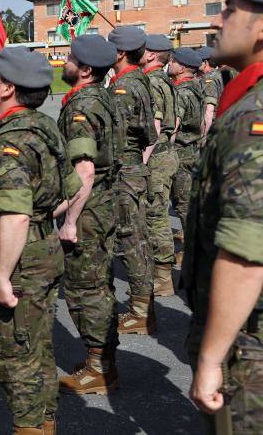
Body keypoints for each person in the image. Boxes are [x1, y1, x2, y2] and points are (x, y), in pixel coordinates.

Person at [0, 46, 81, 434]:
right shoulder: (42, 125)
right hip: (43, 249)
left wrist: (2, 274)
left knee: (15, 356)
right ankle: (45, 423)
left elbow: (13, 213)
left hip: (20, 258)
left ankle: (31, 427)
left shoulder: (9, 140)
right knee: (38, 345)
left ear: (8, 87)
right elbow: (74, 188)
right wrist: (44, 217)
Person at [184, 0, 263, 434]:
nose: (216, 21)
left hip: (250, 345)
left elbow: (248, 249)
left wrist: (212, 357)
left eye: (229, 10)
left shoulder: (254, 117)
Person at [55, 35, 121, 395]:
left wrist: (68, 221)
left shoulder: (81, 105)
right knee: (101, 281)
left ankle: (99, 368)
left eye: (69, 57)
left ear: (84, 69)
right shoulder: (103, 98)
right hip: (105, 202)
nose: (63, 61)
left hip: (89, 208)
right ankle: (102, 359)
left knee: (86, 288)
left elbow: (84, 171)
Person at [107, 26, 158, 335]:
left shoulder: (123, 88)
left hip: (124, 173)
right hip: (133, 169)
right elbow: (150, 134)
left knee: (130, 241)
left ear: (121, 53)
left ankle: (141, 312)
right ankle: (144, 307)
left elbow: (113, 139)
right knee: (136, 238)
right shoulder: (140, 82)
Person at [141, 34, 180, 296]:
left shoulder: (153, 81)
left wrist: (143, 161)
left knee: (156, 216)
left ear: (152, 54)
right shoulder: (167, 80)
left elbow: (155, 125)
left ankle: (163, 278)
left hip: (155, 156)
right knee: (158, 212)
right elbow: (174, 120)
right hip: (166, 151)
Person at [169, 47, 204, 269]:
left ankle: (193, 253)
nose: (169, 63)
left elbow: (174, 127)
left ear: (182, 67)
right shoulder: (195, 86)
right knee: (187, 203)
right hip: (192, 151)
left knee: (183, 206)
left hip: (181, 153)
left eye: (172, 61)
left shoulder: (182, 92)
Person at [197, 46, 223, 138]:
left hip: (212, 124)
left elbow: (209, 109)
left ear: (205, 63)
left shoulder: (208, 78)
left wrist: (205, 135)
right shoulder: (220, 74)